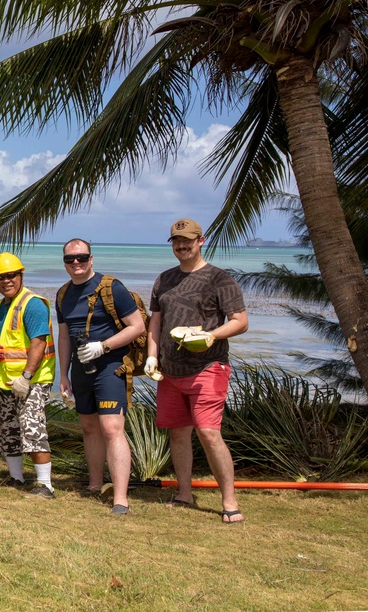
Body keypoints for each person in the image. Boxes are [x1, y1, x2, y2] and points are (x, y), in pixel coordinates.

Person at [146, 218, 249, 524]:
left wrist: (212, 336)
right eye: (177, 241)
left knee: (208, 432)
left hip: (208, 367)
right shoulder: (164, 279)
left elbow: (240, 321)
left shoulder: (220, 279)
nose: (182, 245)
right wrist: (152, 357)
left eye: (188, 240)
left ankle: (229, 501)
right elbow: (156, 322)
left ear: (201, 240)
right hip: (170, 372)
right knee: (178, 435)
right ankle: (184, 493)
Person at [55, 240, 145, 515]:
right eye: (70, 259)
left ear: (91, 259)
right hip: (81, 369)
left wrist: (103, 346)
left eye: (81, 257)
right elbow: (64, 336)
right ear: (65, 263)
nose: (76, 263)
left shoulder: (111, 287)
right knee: (89, 428)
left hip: (111, 366)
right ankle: (95, 485)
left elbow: (138, 326)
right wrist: (64, 374)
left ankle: (120, 498)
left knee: (111, 428)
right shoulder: (63, 294)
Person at [0, 252, 57, 499]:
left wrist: (26, 377)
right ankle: (16, 478)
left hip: (32, 381)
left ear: (21, 275)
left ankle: (45, 484)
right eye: (1, 277)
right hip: (5, 381)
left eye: (11, 275)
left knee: (33, 428)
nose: (6, 281)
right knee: (7, 430)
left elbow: (38, 343)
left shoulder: (33, 304)